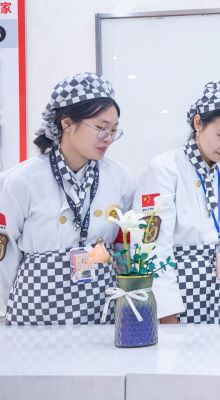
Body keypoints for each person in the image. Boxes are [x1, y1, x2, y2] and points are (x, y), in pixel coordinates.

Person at [0, 72, 135, 325]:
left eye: (114, 130)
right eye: (101, 128)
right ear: (67, 123)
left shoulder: (121, 179)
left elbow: (123, 249)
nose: (108, 137)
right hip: (36, 310)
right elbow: (5, 258)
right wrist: (10, 306)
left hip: (101, 306)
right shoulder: (21, 180)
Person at [135, 80, 220, 324]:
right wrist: (166, 313)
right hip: (179, 299)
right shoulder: (165, 169)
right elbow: (152, 246)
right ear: (198, 123)